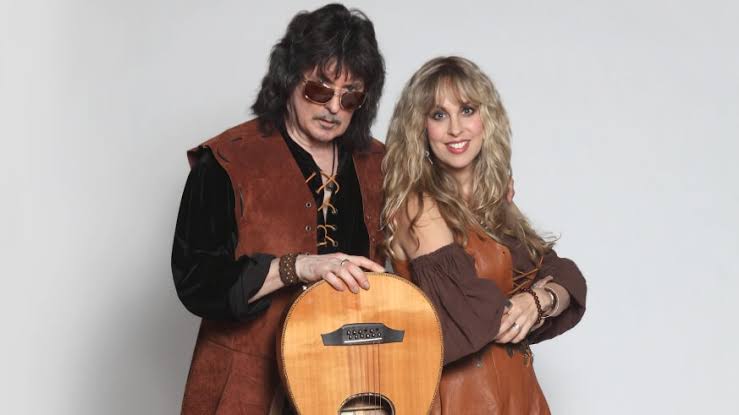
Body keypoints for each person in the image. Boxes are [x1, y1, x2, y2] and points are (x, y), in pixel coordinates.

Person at [171, 4, 386, 413]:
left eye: (350, 96)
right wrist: (296, 267)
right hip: (247, 389)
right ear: (288, 79)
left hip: (349, 386)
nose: (333, 107)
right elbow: (196, 282)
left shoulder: (379, 164)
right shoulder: (228, 160)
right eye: (319, 90)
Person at [382, 56, 587, 414]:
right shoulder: (416, 206)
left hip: (520, 395)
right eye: (438, 115)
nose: (455, 129)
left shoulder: (493, 203)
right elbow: (472, 315)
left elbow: (565, 274)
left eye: (467, 110)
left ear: (486, 118)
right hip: (459, 401)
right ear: (420, 128)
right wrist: (536, 301)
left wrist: (541, 299)